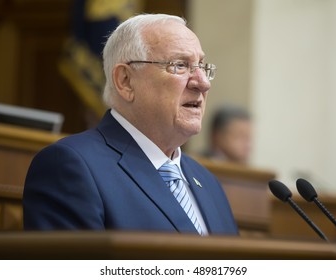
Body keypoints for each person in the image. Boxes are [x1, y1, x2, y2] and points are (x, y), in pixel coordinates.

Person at [23, 14, 238, 236]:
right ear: (125, 81)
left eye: (202, 66)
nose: (203, 83)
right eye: (180, 65)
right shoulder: (70, 167)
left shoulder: (207, 181)